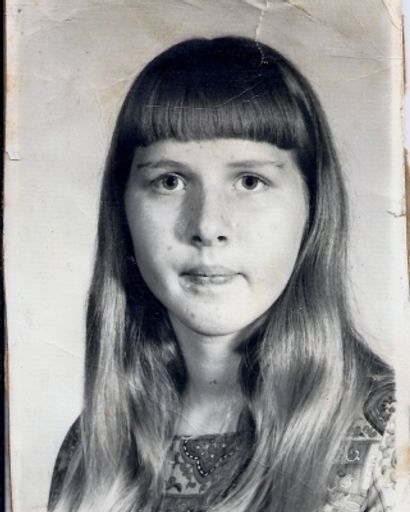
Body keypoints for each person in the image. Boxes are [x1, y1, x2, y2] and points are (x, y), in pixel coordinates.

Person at [48, 36, 396, 512]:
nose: (208, 226)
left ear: (313, 208)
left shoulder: (390, 440)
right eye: (170, 181)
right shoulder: (89, 453)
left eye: (250, 181)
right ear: (121, 209)